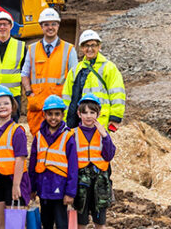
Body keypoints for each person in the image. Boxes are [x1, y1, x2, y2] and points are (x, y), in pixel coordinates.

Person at [21, 8, 78, 136]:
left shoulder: (69, 50)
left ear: (58, 25)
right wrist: (29, 93)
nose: (50, 27)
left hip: (59, 106)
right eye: (46, 24)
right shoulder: (32, 49)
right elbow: (24, 74)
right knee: (38, 140)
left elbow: (75, 78)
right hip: (38, 106)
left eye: (53, 24)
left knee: (59, 141)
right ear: (41, 26)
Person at [0, 85, 31, 228]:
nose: (2, 106)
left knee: (15, 224)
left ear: (13, 105)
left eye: (6, 103)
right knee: (0, 222)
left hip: (13, 180)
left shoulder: (17, 131)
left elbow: (20, 159)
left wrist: (16, 186)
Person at [29, 95, 77, 229]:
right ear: (44, 115)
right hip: (43, 188)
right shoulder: (38, 136)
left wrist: (70, 192)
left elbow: (73, 167)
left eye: (57, 114)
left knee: (62, 224)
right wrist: (32, 188)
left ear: (62, 115)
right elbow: (32, 164)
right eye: (50, 114)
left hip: (60, 190)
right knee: (46, 222)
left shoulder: (67, 137)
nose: (53, 117)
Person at [62, 29, 125, 130]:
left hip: (101, 121)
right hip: (77, 122)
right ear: (82, 48)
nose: (90, 49)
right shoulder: (75, 70)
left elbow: (117, 94)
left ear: (99, 46)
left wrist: (115, 117)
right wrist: (64, 119)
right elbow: (66, 97)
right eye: (86, 45)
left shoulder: (109, 68)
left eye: (93, 45)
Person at [71, 94, 115, 229]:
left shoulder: (102, 133)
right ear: (79, 114)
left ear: (98, 113)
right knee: (81, 220)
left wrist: (105, 136)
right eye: (85, 112)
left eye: (92, 112)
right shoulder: (72, 133)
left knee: (100, 220)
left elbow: (109, 155)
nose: (88, 116)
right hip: (81, 182)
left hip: (100, 182)